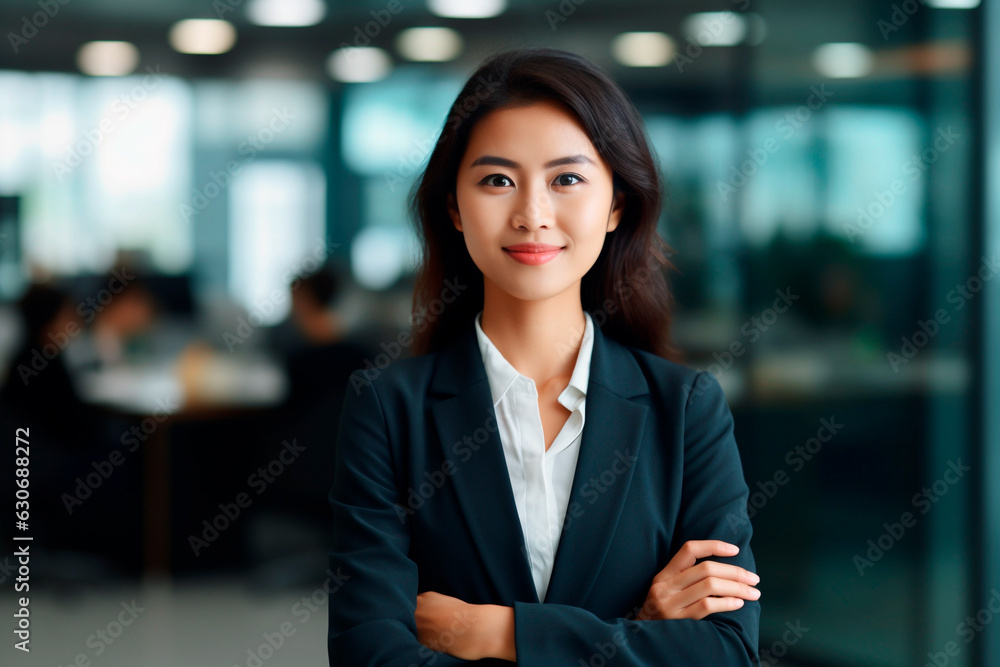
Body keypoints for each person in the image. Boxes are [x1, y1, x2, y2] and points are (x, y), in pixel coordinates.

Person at [327, 46, 760, 665]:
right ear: (453, 206)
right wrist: (638, 629)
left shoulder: (686, 409)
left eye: (567, 179)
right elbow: (368, 653)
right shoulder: (389, 409)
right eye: (497, 180)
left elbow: (727, 652)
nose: (532, 215)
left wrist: (498, 634)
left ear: (616, 205)